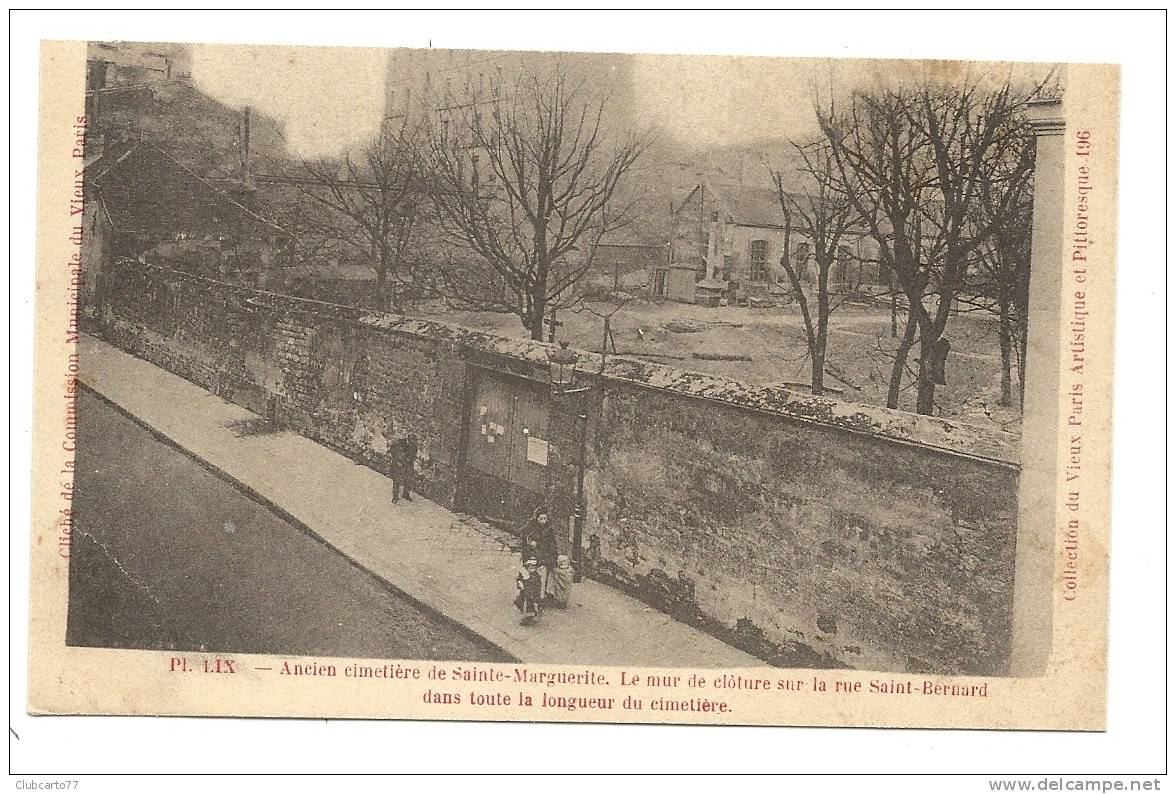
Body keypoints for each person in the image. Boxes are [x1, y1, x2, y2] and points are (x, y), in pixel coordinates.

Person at [391, 433, 418, 503]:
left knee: (408, 479)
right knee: (397, 480)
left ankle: (406, 494)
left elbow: (413, 456)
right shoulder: (399, 443)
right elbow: (393, 451)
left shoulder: (414, 447)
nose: (413, 443)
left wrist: (409, 461)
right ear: (408, 439)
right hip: (398, 464)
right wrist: (397, 461)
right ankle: (395, 497)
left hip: (408, 465)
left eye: (414, 442)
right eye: (412, 441)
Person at [515, 559, 543, 626]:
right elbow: (519, 580)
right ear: (527, 568)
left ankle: (529, 619)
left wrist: (538, 592)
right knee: (524, 606)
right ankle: (525, 619)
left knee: (531, 607)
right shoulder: (524, 575)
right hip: (525, 594)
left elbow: (539, 585)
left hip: (533, 594)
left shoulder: (537, 576)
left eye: (534, 568)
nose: (532, 569)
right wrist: (520, 583)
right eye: (530, 568)